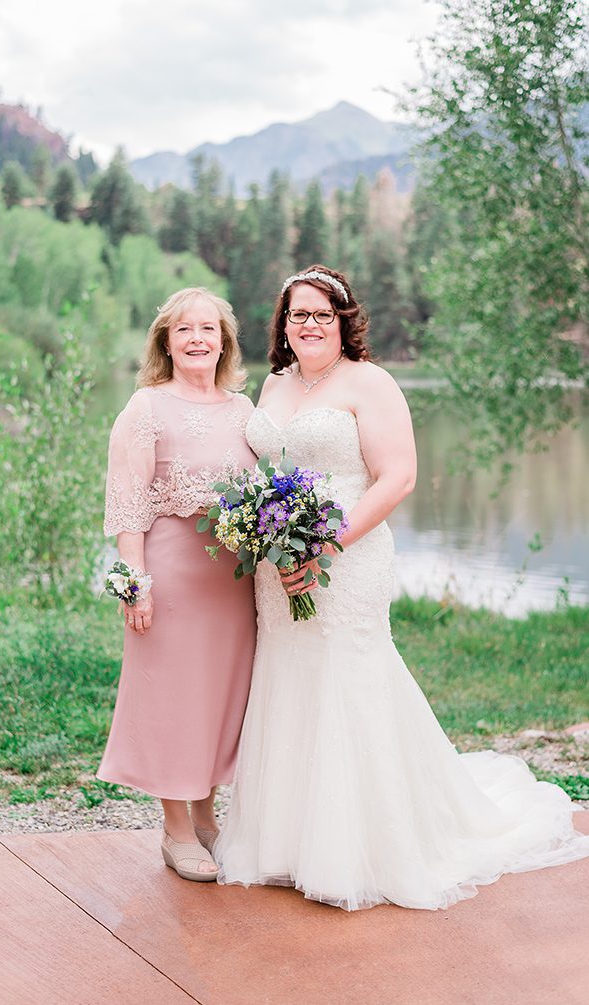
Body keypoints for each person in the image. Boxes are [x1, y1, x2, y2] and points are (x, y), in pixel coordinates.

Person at [215, 264, 589, 909]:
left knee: (347, 679)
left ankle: (362, 846)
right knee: (289, 676)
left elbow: (398, 478)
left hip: (346, 557)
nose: (307, 324)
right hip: (278, 566)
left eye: (320, 314)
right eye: (296, 314)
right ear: (281, 324)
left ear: (343, 320)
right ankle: (285, 840)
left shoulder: (372, 383)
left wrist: (324, 544)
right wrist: (260, 535)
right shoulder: (272, 385)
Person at [99, 288, 257, 882]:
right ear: (166, 341)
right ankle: (176, 831)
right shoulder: (146, 407)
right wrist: (133, 583)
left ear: (224, 342)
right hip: (170, 574)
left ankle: (207, 816)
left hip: (231, 583)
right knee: (171, 698)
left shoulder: (244, 411)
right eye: (185, 329)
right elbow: (126, 502)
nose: (197, 339)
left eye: (209, 329)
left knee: (219, 697)